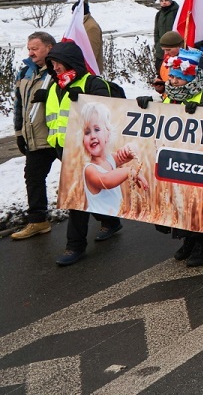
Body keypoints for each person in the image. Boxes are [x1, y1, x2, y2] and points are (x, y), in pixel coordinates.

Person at [45, 41, 127, 267]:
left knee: (77, 199)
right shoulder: (55, 86)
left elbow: (109, 111)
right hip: (66, 152)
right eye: (51, 63)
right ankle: (110, 222)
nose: (54, 67)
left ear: (70, 62)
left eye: (57, 62)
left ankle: (75, 245)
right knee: (93, 192)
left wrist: (84, 101)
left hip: (90, 152)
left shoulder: (92, 83)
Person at [152, 47, 203, 267]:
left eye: (177, 78)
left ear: (190, 76)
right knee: (178, 202)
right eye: (171, 77)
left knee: (197, 203)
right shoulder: (170, 96)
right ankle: (187, 240)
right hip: (174, 158)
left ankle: (202, 245)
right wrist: (146, 107)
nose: (172, 82)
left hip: (199, 161)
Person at [12, 32, 57, 240]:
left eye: (35, 48)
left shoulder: (59, 70)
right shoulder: (25, 73)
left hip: (59, 136)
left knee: (79, 177)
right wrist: (19, 133)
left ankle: (107, 220)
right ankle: (38, 220)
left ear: (49, 48)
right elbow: (19, 106)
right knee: (33, 177)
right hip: (36, 137)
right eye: (29, 48)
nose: (30, 53)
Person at [153, 0, 179, 67]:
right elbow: (156, 31)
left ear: (170, 1)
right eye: (161, 1)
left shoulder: (176, 12)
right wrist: (157, 44)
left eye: (166, 0)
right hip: (161, 47)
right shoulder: (159, 14)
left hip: (173, 47)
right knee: (159, 68)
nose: (164, 2)